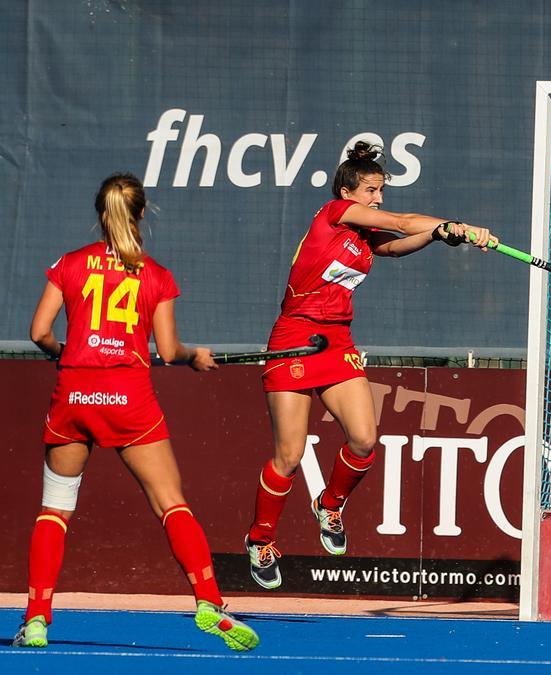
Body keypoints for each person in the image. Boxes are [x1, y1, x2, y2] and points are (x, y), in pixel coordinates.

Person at [13, 174, 258, 651]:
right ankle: (210, 602)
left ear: (101, 215)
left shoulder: (70, 263)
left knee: (55, 510)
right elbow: (166, 349)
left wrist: (65, 350)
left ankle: (38, 617)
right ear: (142, 213)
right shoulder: (157, 275)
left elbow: (39, 331)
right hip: (130, 399)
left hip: (75, 395)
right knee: (171, 503)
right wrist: (193, 356)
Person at [243, 142, 495, 590]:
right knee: (290, 454)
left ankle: (330, 503)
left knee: (363, 439)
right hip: (295, 336)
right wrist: (457, 225)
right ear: (347, 192)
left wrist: (439, 235)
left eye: (380, 190)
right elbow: (400, 221)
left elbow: (395, 245)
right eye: (372, 191)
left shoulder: (362, 234)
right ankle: (260, 539)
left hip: (336, 339)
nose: (378, 198)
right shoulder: (334, 212)